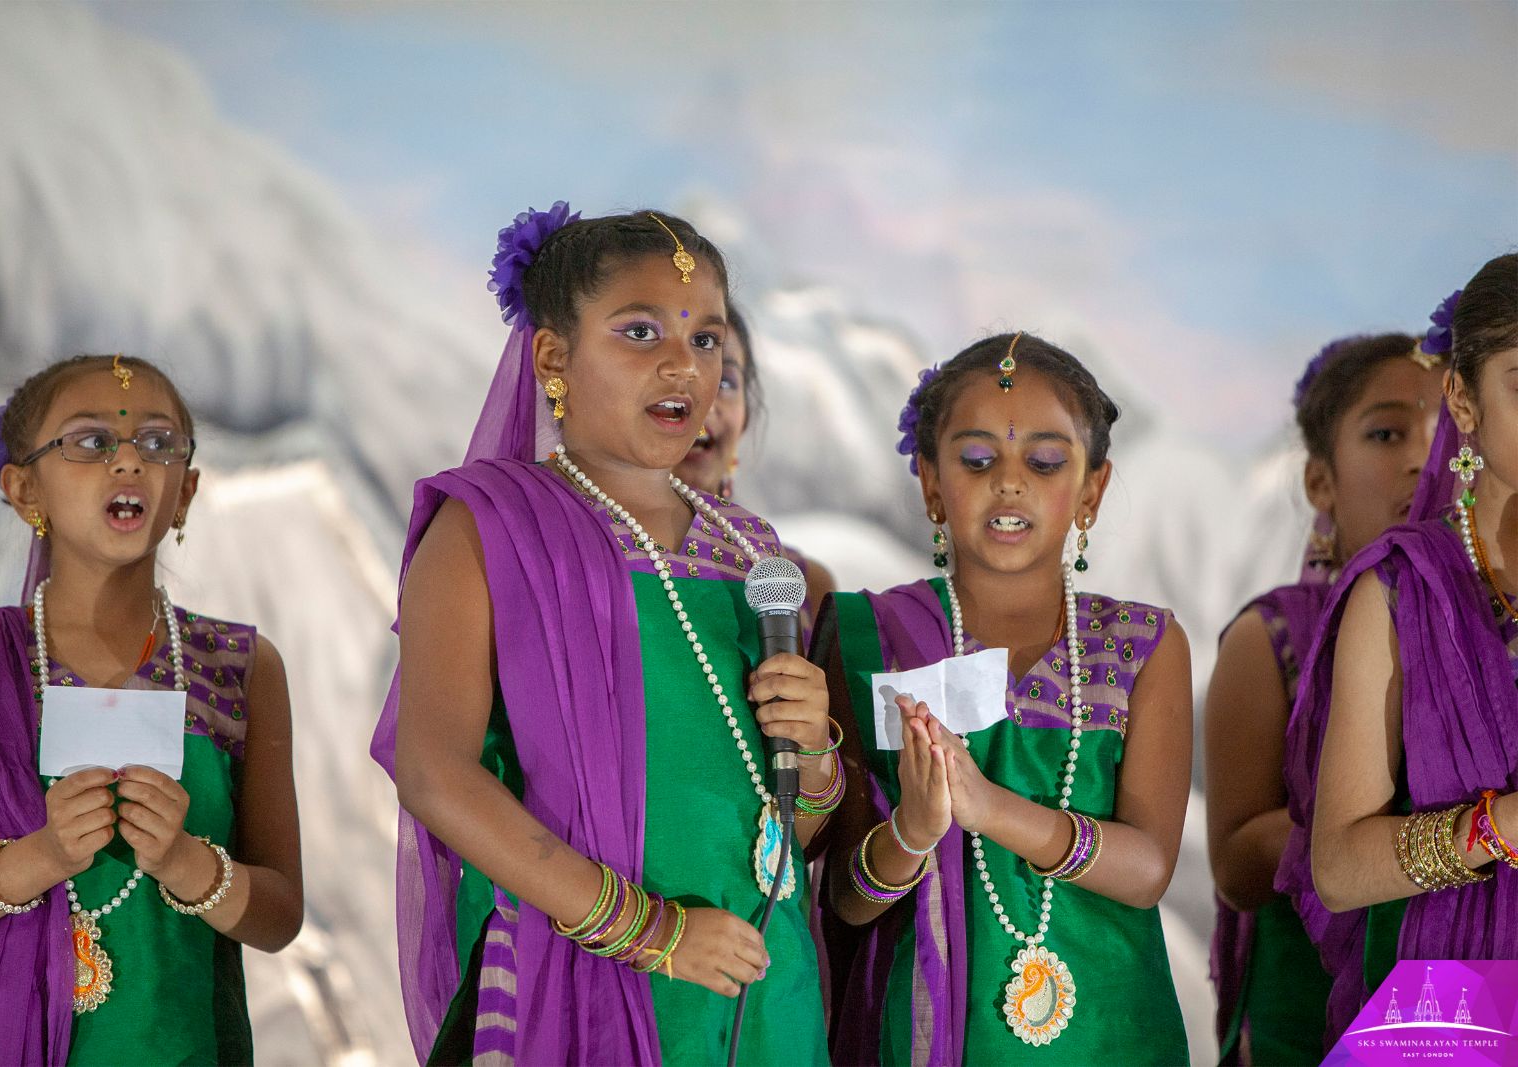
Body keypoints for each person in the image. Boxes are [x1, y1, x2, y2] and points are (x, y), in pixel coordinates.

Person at [372, 204, 838, 1065]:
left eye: (705, 340)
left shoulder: (753, 554)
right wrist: (653, 933)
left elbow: (788, 831)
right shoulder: (486, 528)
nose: (682, 364)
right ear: (554, 358)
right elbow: (434, 774)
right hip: (586, 969)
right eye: (640, 331)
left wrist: (813, 756)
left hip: (760, 981)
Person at [814, 333, 1192, 1064]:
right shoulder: (872, 634)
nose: (1009, 482)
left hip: (1112, 1034)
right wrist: (914, 833)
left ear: (1092, 490)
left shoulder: (1143, 644)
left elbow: (1147, 870)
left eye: (1044, 461)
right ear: (929, 482)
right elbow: (847, 897)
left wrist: (989, 811)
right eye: (978, 459)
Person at [0, 354, 303, 1065]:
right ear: (22, 486)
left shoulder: (241, 667)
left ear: (184, 493)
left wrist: (192, 865)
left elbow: (281, 915)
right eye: (91, 441)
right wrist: (39, 858)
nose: (128, 461)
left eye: (158, 444)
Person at [1285, 255, 1517, 1034]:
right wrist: (1504, 826)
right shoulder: (1396, 589)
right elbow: (1340, 869)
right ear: (1463, 396)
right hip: (1454, 1009)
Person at [1205, 333, 1441, 1064]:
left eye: (1449, 432)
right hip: (1301, 1023)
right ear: (1319, 482)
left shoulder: (1500, 636)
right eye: (1386, 432)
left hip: (1459, 1006)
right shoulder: (1272, 637)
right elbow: (1238, 864)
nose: (1420, 457)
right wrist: (1378, 831)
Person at [674, 304, 836, 624]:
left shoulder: (805, 586)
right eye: (680, 380)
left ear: (746, 416)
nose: (705, 404)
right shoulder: (588, 561)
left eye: (725, 383)